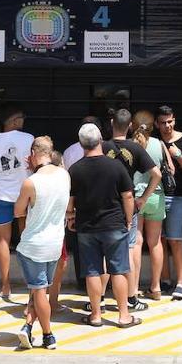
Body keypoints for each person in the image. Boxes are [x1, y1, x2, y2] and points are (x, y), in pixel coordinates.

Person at [68, 122, 140, 328]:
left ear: (82, 144)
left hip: (87, 227)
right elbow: (127, 196)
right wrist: (128, 220)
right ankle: (124, 315)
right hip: (114, 224)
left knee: (92, 271)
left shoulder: (75, 169)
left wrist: (71, 217)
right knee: (118, 270)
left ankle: (96, 315)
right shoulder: (116, 166)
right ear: (100, 140)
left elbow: (70, 199)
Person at [13, 136, 71, 350]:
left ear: (33, 154)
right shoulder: (65, 175)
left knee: (39, 292)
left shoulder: (31, 182)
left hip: (33, 244)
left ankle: (48, 335)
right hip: (55, 243)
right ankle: (28, 326)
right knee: (40, 291)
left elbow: (18, 211)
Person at [105, 109, 160, 312]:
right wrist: (144, 198)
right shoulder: (135, 149)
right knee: (128, 249)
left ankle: (100, 299)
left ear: (112, 123)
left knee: (103, 253)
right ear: (130, 126)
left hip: (104, 206)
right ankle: (130, 297)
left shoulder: (103, 147)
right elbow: (156, 174)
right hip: (127, 205)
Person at [0, 103, 35, 299]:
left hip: (2, 194)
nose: (23, 120)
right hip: (25, 194)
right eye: (21, 117)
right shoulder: (29, 139)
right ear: (13, 120)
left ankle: (5, 287)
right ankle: (33, 284)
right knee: (27, 237)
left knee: (3, 239)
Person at [156, 105, 182, 300]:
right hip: (156, 195)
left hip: (178, 195)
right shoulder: (153, 141)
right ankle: (164, 280)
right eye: (163, 122)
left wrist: (178, 155)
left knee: (175, 239)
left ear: (174, 120)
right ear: (156, 123)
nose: (167, 126)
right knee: (159, 240)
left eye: (170, 121)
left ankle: (181, 282)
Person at [132, 111, 167, 300]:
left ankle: (134, 287)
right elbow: (169, 169)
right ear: (153, 126)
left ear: (132, 125)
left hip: (136, 197)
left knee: (136, 242)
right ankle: (156, 287)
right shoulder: (159, 144)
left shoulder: (130, 144)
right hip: (156, 195)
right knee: (155, 242)